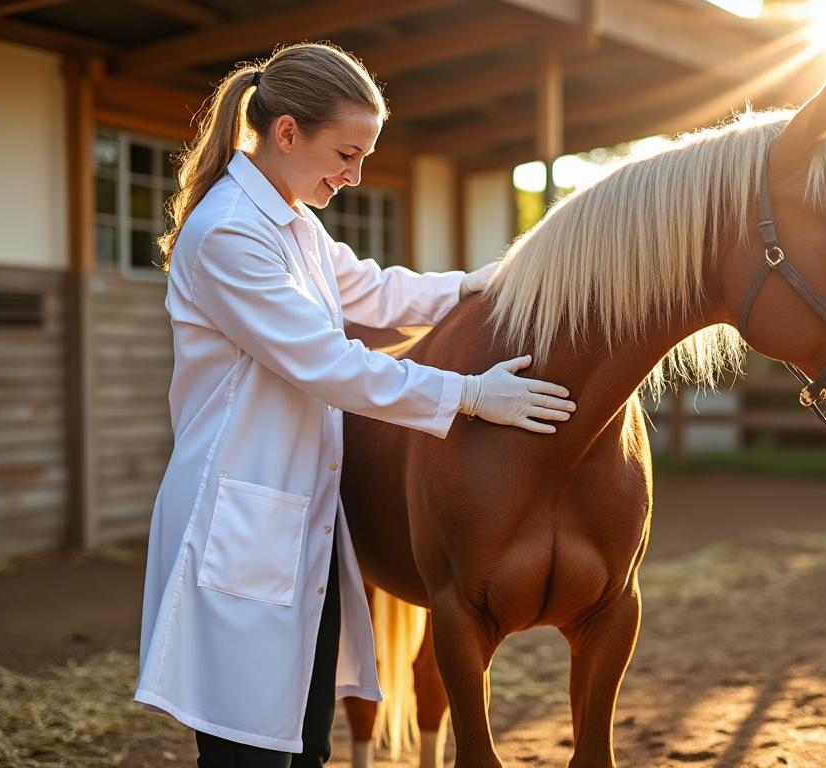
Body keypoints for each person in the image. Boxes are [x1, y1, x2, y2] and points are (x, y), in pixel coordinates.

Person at [133, 43, 577, 767]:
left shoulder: (294, 222)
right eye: (345, 153)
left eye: (365, 156)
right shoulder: (227, 234)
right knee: (248, 754)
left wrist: (480, 286)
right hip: (237, 525)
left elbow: (373, 290)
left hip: (296, 521)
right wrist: (467, 395)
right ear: (286, 134)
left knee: (307, 744)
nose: (354, 175)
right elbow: (327, 363)